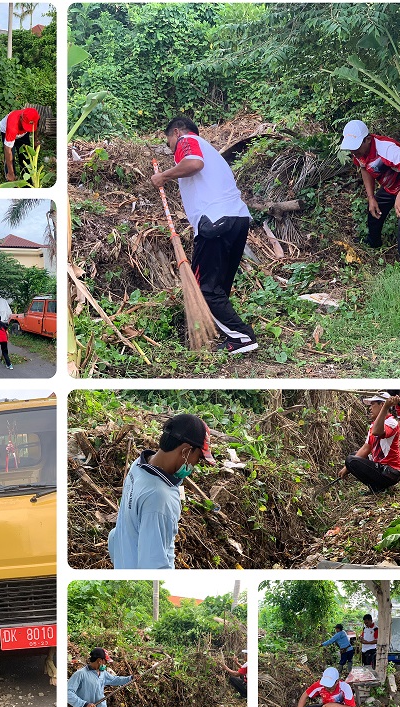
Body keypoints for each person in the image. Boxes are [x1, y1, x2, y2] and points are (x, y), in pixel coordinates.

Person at [150, 116, 257, 355]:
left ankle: (243, 337)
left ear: (176, 133)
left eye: (169, 143)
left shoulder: (187, 140)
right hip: (237, 220)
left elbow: (194, 163)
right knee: (217, 288)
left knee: (203, 288)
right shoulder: (213, 154)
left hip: (216, 222)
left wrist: (164, 176)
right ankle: (232, 336)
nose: (172, 149)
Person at [107, 414, 215, 569]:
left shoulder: (138, 465)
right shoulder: (160, 498)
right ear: (185, 451)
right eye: (197, 458)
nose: (194, 466)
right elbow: (153, 567)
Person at [340, 119, 400, 260]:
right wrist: (371, 197)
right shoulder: (358, 153)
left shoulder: (387, 149)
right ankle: (373, 243)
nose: (354, 151)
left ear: (368, 140)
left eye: (357, 147)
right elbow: (364, 169)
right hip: (390, 188)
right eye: (351, 148)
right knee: (374, 211)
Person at [338, 393, 400, 493]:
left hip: (390, 472)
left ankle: (378, 488)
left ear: (381, 405)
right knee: (353, 457)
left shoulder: (391, 423)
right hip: (380, 468)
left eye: (373, 404)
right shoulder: (374, 425)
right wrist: (346, 468)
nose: (370, 408)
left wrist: (386, 407)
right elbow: (365, 448)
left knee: (351, 460)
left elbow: (377, 432)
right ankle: (376, 487)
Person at [0, 107, 40, 182]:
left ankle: (27, 182)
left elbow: (36, 127)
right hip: (6, 131)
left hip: (23, 134)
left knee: (25, 156)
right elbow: (7, 149)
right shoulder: (12, 126)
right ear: (21, 118)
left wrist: (35, 140)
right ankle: (10, 179)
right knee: (10, 157)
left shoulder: (33, 116)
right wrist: (11, 173)